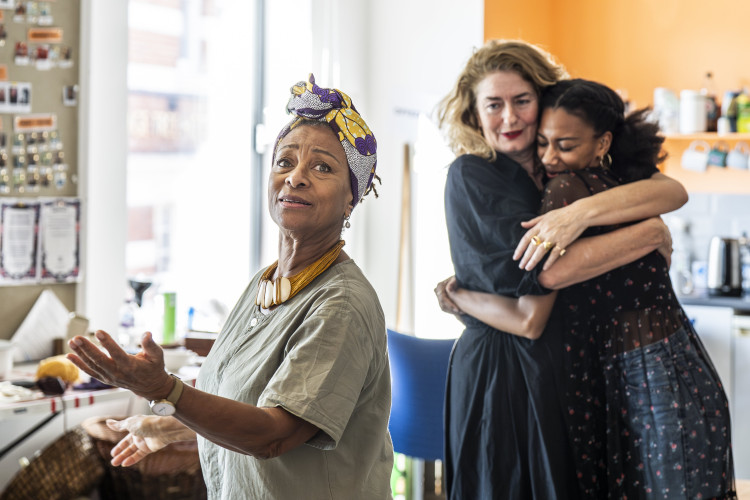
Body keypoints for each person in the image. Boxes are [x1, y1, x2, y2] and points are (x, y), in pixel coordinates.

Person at [67, 74, 393, 500]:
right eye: (285, 161)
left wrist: (164, 390)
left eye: (322, 167)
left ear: (352, 196)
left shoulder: (341, 304)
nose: (295, 177)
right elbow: (248, 399)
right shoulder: (266, 283)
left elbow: (274, 434)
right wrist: (169, 424)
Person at [439, 79, 735, 499]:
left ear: (602, 143)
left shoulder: (567, 186)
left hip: (652, 376)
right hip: (643, 370)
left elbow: (546, 281)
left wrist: (462, 298)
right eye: (544, 142)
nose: (549, 156)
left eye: (564, 144)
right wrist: (647, 231)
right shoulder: (562, 179)